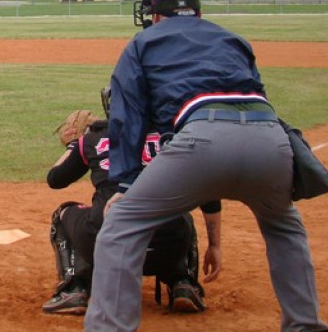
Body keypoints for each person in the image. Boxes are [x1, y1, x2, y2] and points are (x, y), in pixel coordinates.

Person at [74, 0, 328, 332]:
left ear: (154, 16)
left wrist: (122, 183)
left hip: (200, 141)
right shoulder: (233, 39)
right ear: (199, 12)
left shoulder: (143, 42)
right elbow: (254, 94)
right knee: (284, 226)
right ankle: (306, 331)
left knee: (122, 224)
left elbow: (127, 117)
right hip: (270, 139)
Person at [43, 103, 212, 316]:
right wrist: (216, 244)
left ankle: (75, 288)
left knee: (63, 213)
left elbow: (55, 179)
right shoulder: (172, 137)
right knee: (181, 213)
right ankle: (183, 284)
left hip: (107, 250)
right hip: (166, 251)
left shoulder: (94, 139)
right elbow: (206, 190)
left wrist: (75, 145)